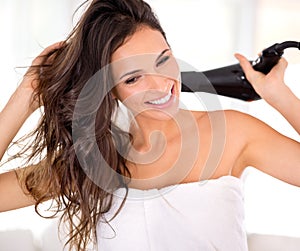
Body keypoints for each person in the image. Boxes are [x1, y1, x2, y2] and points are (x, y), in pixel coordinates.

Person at [1, 0, 300, 250]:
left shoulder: (234, 133)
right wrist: (24, 97)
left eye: (163, 60)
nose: (161, 85)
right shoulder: (94, 159)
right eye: (133, 78)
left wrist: (281, 97)